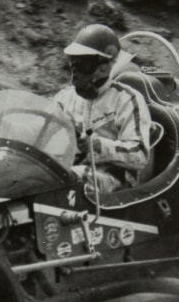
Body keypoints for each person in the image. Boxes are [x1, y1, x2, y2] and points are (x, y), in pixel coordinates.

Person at [54, 24, 152, 196]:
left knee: (68, 178)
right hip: (72, 168)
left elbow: (140, 155)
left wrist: (99, 145)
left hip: (113, 180)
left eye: (83, 63)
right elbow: (45, 130)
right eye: (72, 62)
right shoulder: (64, 98)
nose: (74, 70)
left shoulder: (126, 99)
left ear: (104, 67)